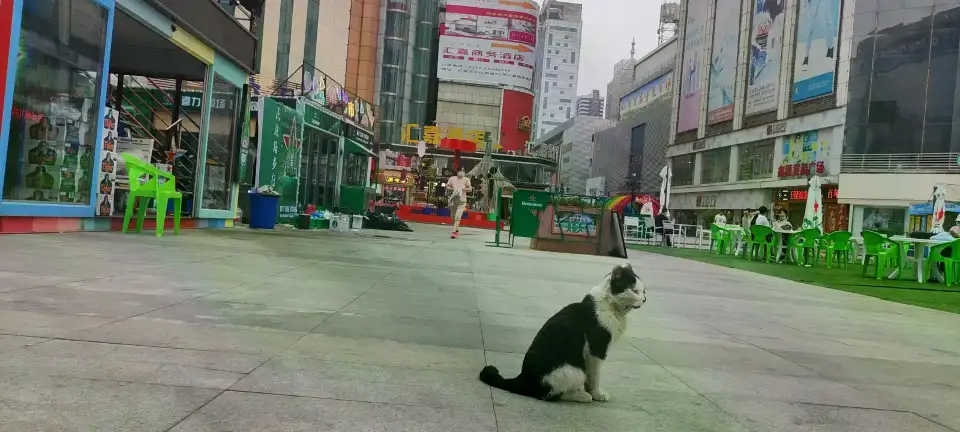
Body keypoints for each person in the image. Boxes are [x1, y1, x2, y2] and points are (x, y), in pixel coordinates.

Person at [445, 168, 472, 239]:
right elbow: (447, 186)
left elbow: (470, 189)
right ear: (457, 172)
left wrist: (462, 189)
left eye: (463, 171)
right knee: (453, 217)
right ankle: (456, 230)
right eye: (460, 171)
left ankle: (453, 233)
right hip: (453, 200)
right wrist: (453, 189)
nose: (462, 172)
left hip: (462, 201)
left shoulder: (466, 179)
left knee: (457, 217)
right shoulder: (452, 178)